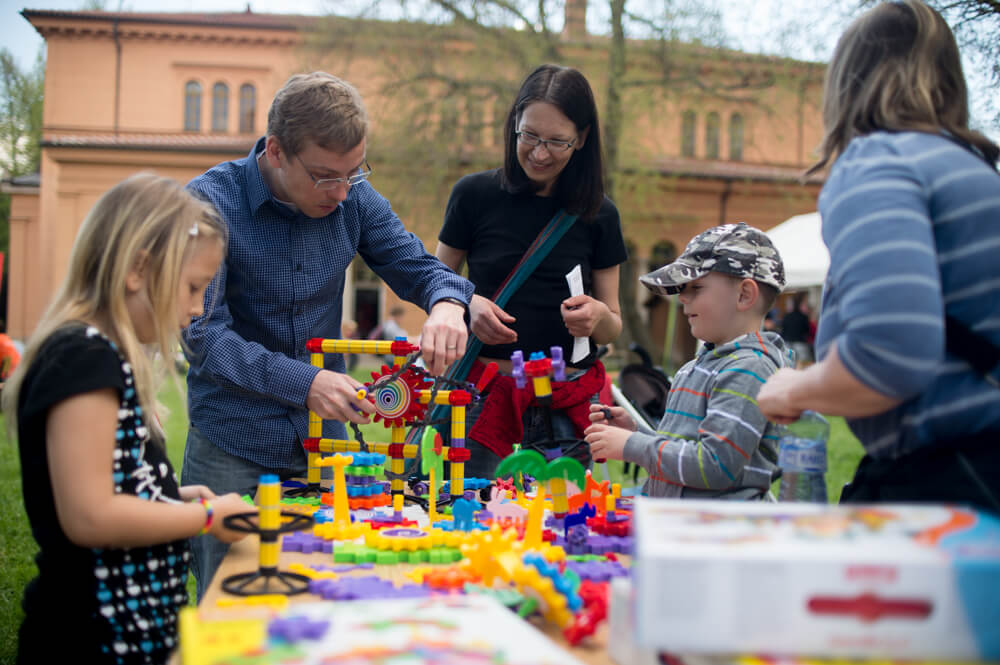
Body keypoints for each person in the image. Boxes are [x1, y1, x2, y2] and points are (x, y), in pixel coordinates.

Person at [182, 71, 474, 598]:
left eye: (353, 172)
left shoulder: (353, 196)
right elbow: (202, 336)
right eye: (323, 177)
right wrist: (306, 383)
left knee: (334, 591)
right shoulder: (209, 203)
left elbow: (421, 268)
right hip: (232, 440)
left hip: (329, 439)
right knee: (229, 601)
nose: (341, 193)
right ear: (275, 151)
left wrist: (449, 305)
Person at [757, 0, 1000, 514]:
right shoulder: (974, 170)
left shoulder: (878, 162)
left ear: (847, 85)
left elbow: (888, 358)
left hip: (956, 479)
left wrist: (794, 388)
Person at [2, 174, 250, 664]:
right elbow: (90, 515)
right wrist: (201, 518)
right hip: (89, 641)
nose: (198, 309)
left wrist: (170, 498)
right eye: (193, 287)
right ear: (138, 269)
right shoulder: (82, 359)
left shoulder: (99, 356)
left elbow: (106, 486)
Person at [435, 64, 627, 478]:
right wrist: (469, 305)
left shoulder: (600, 215)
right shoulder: (473, 195)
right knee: (471, 520)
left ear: (583, 139)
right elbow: (433, 286)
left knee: (562, 525)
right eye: (529, 136)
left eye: (557, 141)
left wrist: (597, 316)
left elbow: (614, 325)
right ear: (514, 126)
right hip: (483, 396)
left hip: (565, 399)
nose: (539, 153)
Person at [585, 222, 789, 499]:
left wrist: (633, 445)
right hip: (683, 527)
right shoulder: (698, 366)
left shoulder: (749, 369)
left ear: (744, 295)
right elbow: (685, 448)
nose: (682, 297)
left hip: (718, 535)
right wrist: (638, 432)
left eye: (696, 287)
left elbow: (716, 465)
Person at [780, 294, 813, 367]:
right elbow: (807, 330)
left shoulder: (787, 316)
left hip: (787, 342)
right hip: (800, 342)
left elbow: (783, 329)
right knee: (803, 364)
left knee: (788, 364)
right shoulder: (803, 317)